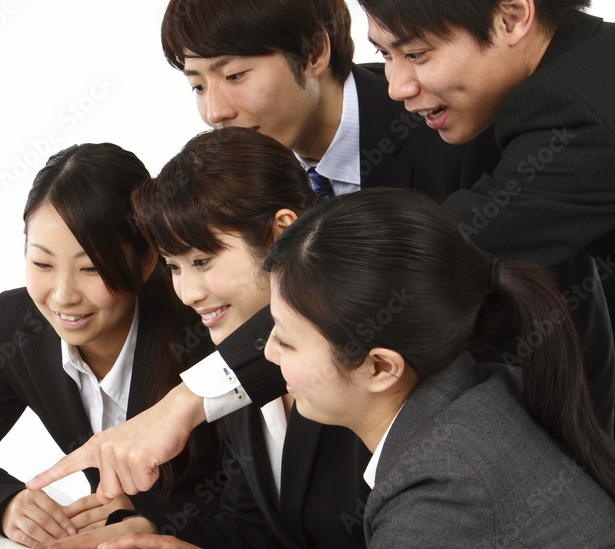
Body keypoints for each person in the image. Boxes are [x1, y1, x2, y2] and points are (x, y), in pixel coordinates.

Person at [26, 0, 501, 501]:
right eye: (197, 85)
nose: (214, 111)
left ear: (314, 51)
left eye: (235, 75)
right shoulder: (250, 188)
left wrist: (188, 401)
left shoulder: (444, 123)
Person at [141, 188, 615, 549]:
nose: (266, 354)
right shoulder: (471, 406)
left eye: (286, 341)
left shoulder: (451, 485)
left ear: (380, 367)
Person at [10, 128, 370, 549]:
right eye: (175, 268)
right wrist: (148, 531)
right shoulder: (235, 373)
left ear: (282, 234)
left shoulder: (356, 373)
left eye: (202, 261)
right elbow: (254, 529)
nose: (187, 292)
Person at [0, 142, 222, 547]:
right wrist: (5, 504)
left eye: (90, 268)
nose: (63, 296)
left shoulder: (206, 324)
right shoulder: (17, 324)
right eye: (42, 264)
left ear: (146, 260)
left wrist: (149, 520)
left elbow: (260, 506)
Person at [360, 0, 615, 433]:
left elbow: (430, 257)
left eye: (417, 54)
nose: (397, 87)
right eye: (385, 54)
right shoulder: (591, 57)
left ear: (511, 18)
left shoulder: (571, 113)